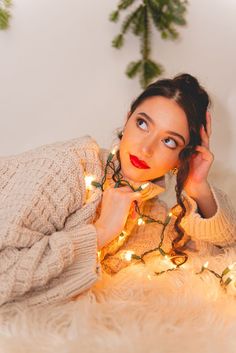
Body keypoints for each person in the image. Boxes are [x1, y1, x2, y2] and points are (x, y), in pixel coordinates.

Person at [0, 73, 235, 307]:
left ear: (182, 158)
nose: (146, 148)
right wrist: (100, 232)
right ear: (127, 120)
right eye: (142, 124)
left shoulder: (153, 218)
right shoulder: (69, 167)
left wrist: (197, 187)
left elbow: (222, 253)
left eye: (169, 141)